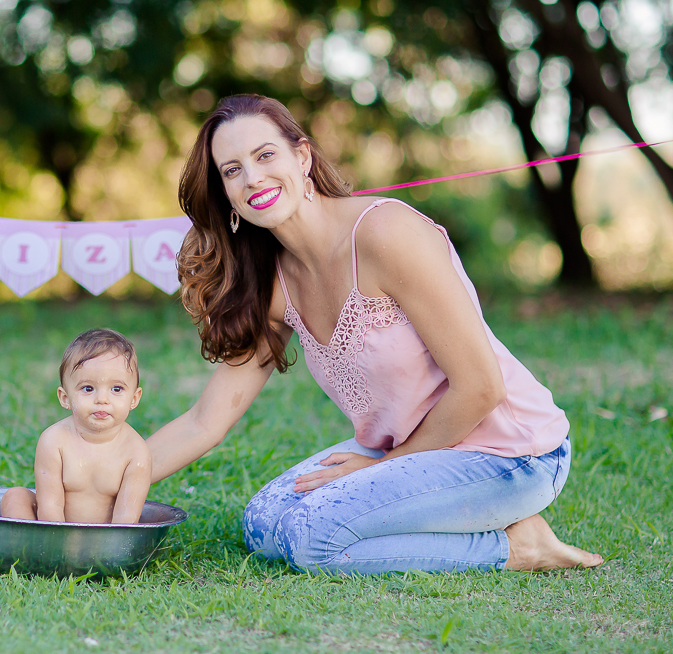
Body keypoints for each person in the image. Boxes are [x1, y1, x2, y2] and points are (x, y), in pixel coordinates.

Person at [146, 94, 603, 574]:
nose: (253, 178)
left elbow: (482, 387)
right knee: (263, 523)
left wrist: (385, 465)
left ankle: (519, 548)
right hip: (412, 449)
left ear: (302, 157)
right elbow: (205, 421)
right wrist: (102, 481)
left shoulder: (385, 233)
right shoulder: (275, 284)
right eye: (232, 170)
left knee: (310, 540)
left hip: (510, 452)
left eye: (265, 156)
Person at [1, 329, 152, 524]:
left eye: (117, 389)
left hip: (104, 539)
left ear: (134, 398)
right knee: (15, 496)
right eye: (88, 388)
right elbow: (49, 505)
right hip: (54, 531)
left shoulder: (137, 452)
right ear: (65, 398)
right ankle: (27, 547)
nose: (102, 399)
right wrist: (59, 548)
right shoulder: (54, 441)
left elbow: (126, 519)